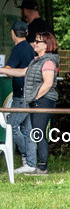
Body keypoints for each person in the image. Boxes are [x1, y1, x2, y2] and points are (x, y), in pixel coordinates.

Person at [0, 31, 60, 175]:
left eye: (38, 41)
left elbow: (48, 84)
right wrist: (2, 69)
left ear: (46, 45)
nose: (34, 43)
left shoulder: (48, 62)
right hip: (37, 100)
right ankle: (36, 165)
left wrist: (33, 98)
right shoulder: (36, 61)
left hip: (44, 100)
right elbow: (21, 72)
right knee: (34, 132)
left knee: (38, 132)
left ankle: (43, 167)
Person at [3, 21, 37, 172]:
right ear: (27, 33)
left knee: (11, 126)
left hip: (21, 95)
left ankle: (27, 157)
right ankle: (30, 163)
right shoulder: (30, 49)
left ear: (12, 33)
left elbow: (8, 69)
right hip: (29, 94)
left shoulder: (17, 49)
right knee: (27, 129)